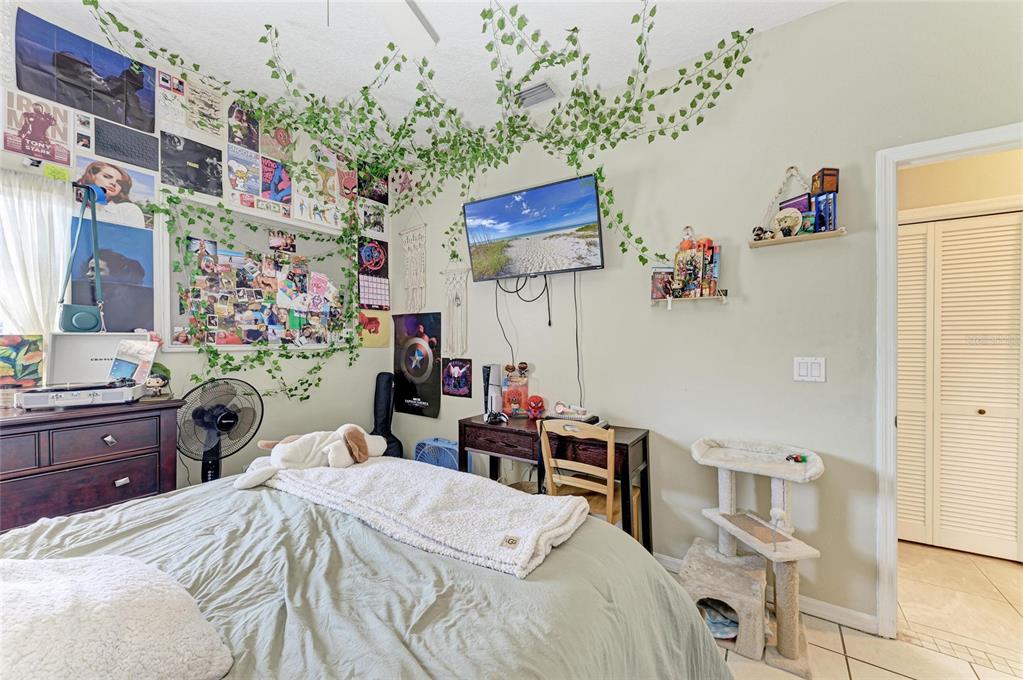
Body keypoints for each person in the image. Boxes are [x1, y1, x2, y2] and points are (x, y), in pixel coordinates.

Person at [77, 160, 146, 228]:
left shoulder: (128, 210)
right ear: (92, 175)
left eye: (119, 183)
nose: (113, 183)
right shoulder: (75, 202)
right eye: (107, 177)